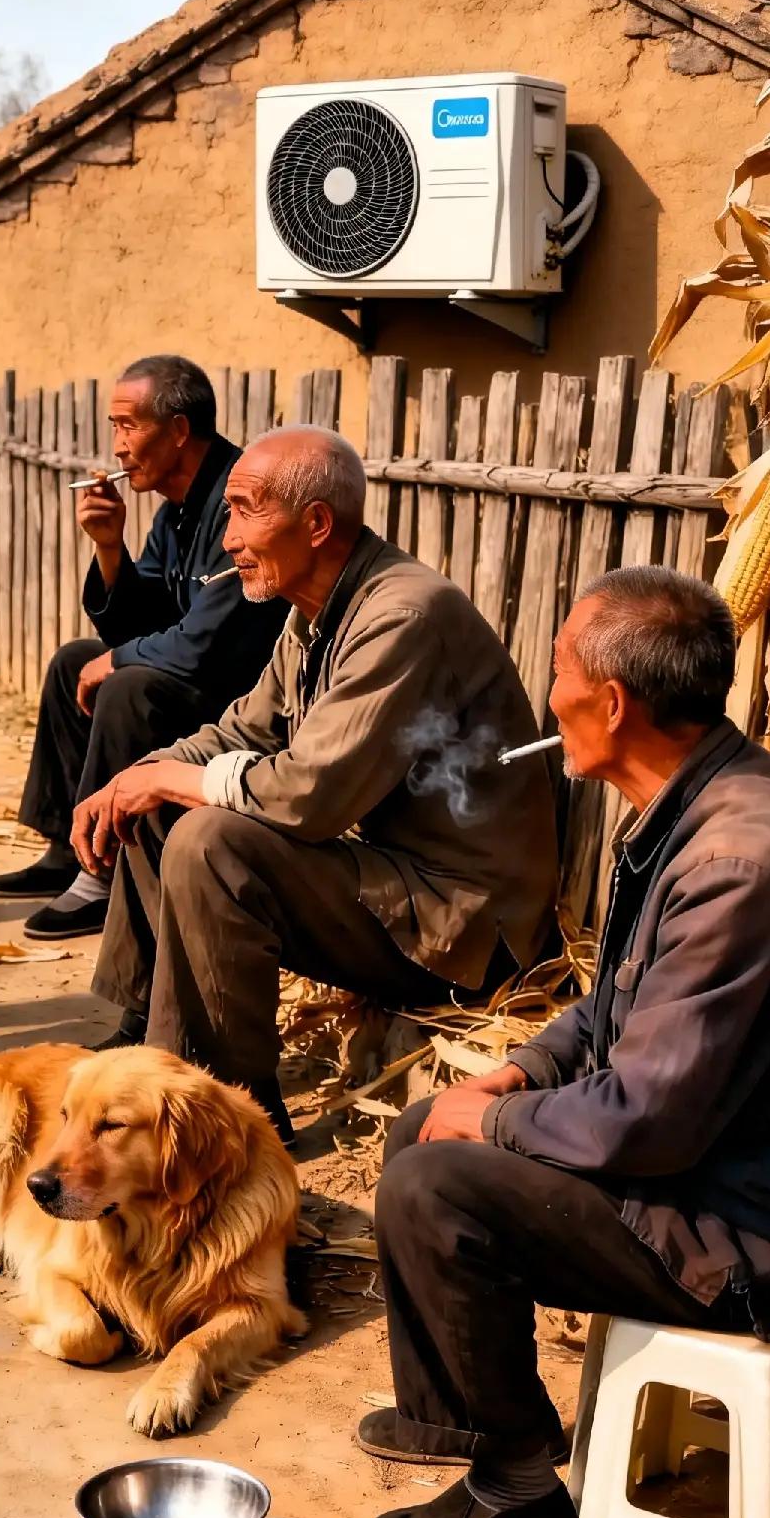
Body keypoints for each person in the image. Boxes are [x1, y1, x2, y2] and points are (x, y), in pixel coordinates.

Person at [357, 565, 770, 1518]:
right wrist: (513, 1076)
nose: (544, 692)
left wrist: (495, 1127)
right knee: (425, 1124)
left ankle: (514, 1487)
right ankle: (456, 1417)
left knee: (436, 1182)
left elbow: (647, 1122)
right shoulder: (705, 807)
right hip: (724, 1181)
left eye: (557, 668)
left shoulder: (738, 863)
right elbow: (612, 1007)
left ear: (610, 702)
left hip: (760, 1241)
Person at [71, 425, 559, 1142]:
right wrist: (137, 776)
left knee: (210, 840)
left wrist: (177, 779)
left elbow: (310, 795)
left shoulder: (401, 615)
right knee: (156, 808)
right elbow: (244, 729)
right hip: (398, 884)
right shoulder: (317, 612)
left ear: (317, 523)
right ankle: (149, 1042)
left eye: (244, 509)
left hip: (458, 920)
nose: (229, 536)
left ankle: (238, 1118)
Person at [0, 357, 288, 940]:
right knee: (74, 660)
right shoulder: (176, 508)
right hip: (196, 672)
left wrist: (122, 659)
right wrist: (108, 548)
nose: (119, 447)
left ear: (177, 430)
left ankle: (100, 875)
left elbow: (208, 641)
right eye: (114, 428)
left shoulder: (239, 501)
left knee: (127, 683)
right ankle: (63, 844)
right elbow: (137, 621)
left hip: (241, 703)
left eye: (129, 426)